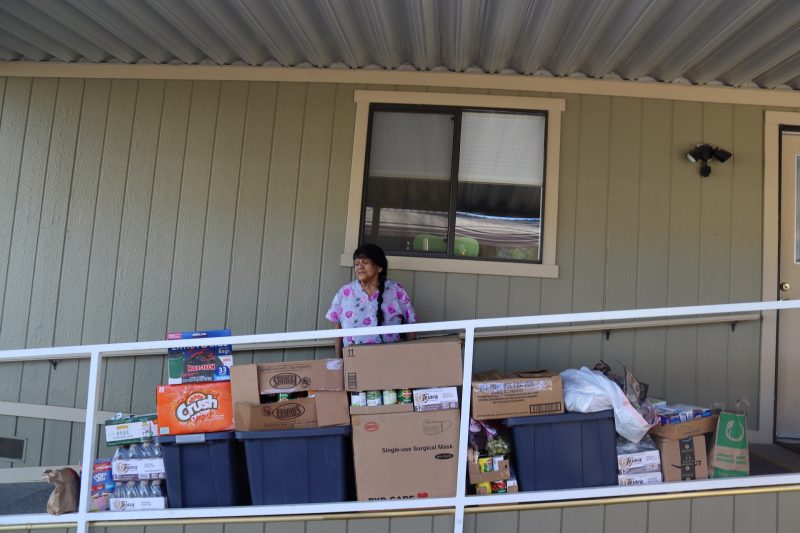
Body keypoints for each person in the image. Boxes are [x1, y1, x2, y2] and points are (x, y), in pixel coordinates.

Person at [326, 243, 417, 356]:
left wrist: (411, 358)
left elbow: (411, 326)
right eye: (357, 263)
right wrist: (339, 360)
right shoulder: (344, 293)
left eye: (365, 262)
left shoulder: (396, 291)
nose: (360, 267)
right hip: (354, 360)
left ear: (379, 267)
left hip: (391, 359)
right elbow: (338, 331)